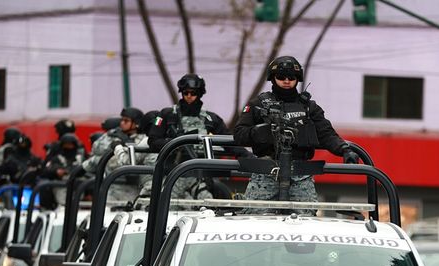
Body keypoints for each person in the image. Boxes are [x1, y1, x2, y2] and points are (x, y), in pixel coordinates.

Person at [234, 56, 360, 204]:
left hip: (301, 175)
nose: (286, 80)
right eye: (281, 77)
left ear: (297, 78)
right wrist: (260, 133)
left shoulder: (309, 107)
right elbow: (239, 134)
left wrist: (344, 150)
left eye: (291, 77)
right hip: (265, 173)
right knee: (257, 220)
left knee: (304, 221)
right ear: (273, 78)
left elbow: (326, 134)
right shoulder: (258, 104)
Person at [147, 74, 229, 200]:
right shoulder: (167, 115)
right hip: (172, 173)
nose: (189, 96)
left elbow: (229, 142)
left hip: (200, 174)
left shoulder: (211, 118)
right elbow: (153, 140)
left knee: (207, 206)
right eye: (186, 93)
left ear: (200, 94)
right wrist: (174, 144)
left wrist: (247, 157)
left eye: (193, 93)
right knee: (169, 207)